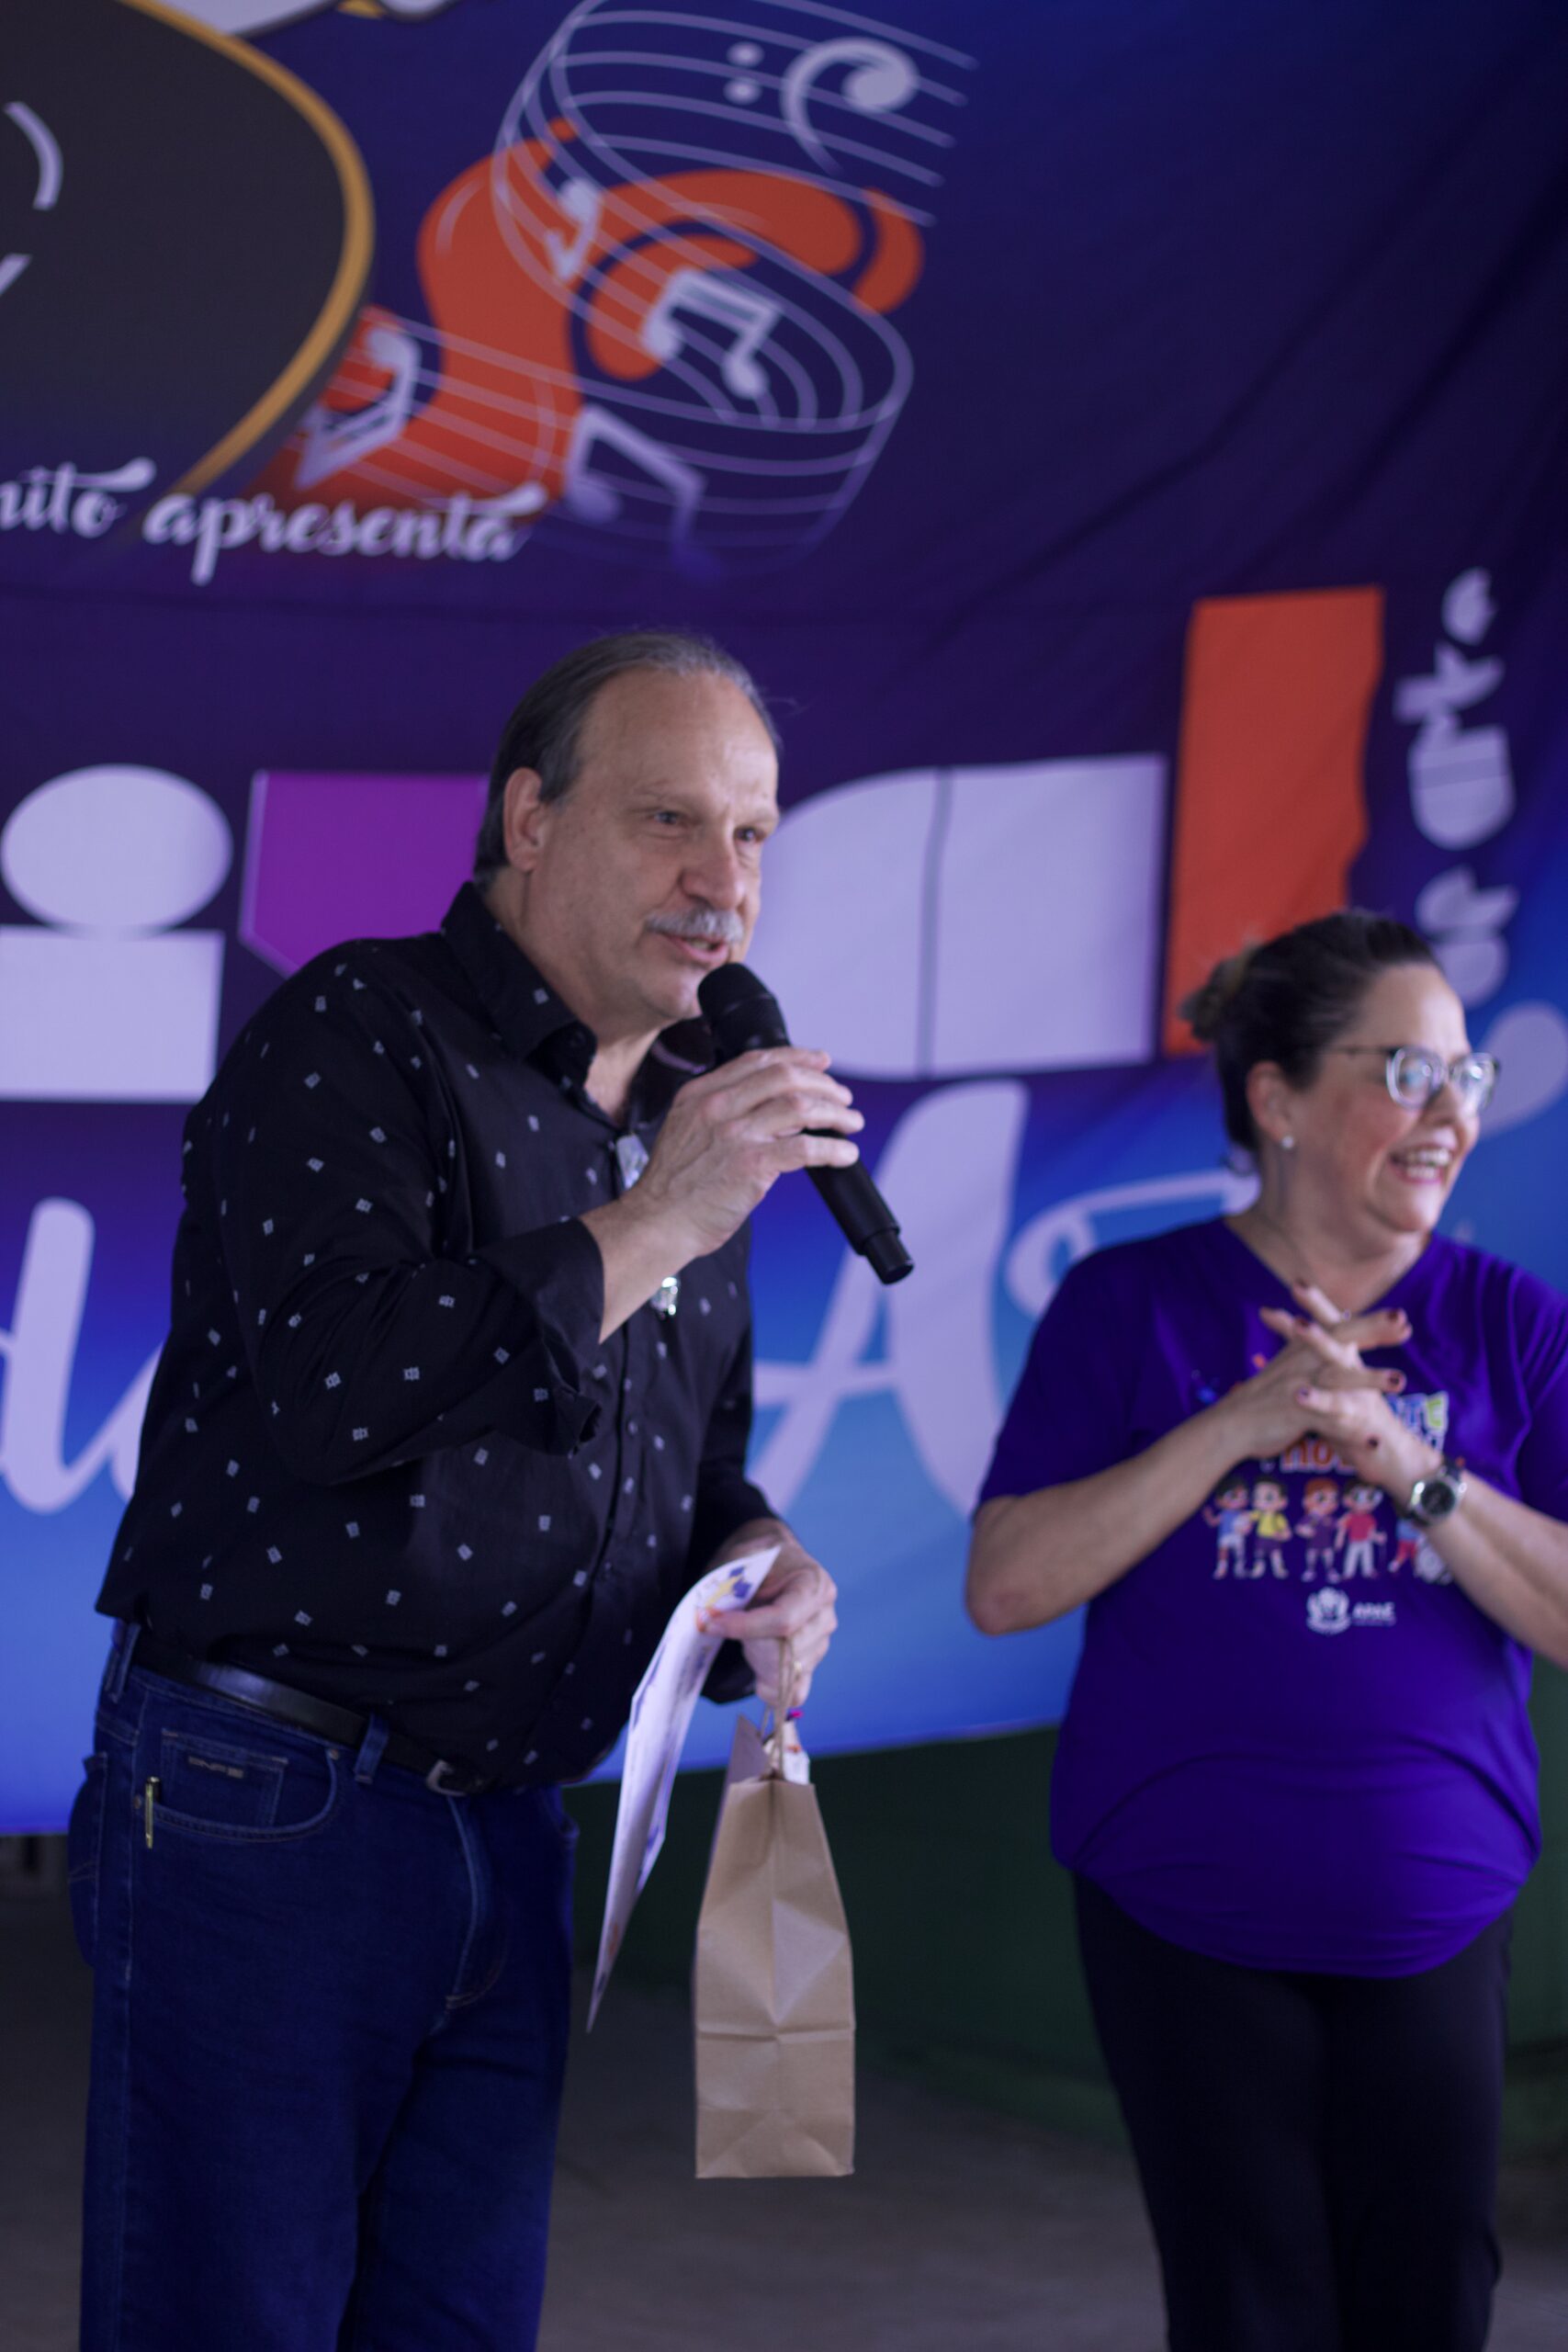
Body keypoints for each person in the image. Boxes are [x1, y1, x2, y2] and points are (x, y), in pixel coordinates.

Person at [69, 630, 857, 2352]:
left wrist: (761, 1551)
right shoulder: (360, 1029)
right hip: (278, 1805)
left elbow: (678, 1463)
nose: (722, 884)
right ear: (529, 821)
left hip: (515, 1820)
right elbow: (342, 1387)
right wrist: (664, 1213)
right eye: (669, 820)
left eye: (751, 835)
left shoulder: (679, 1128)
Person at [965, 910, 1568, 2352]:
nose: (1451, 1112)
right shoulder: (1132, 1304)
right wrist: (1234, 1426)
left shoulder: (1511, 1322)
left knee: (1431, 2303)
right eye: (1407, 1072)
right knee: (1248, 2312)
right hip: (1183, 1907)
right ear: (1278, 1098)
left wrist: (1410, 1467)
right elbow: (1006, 1586)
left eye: (1466, 1075)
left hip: (1433, 1905)